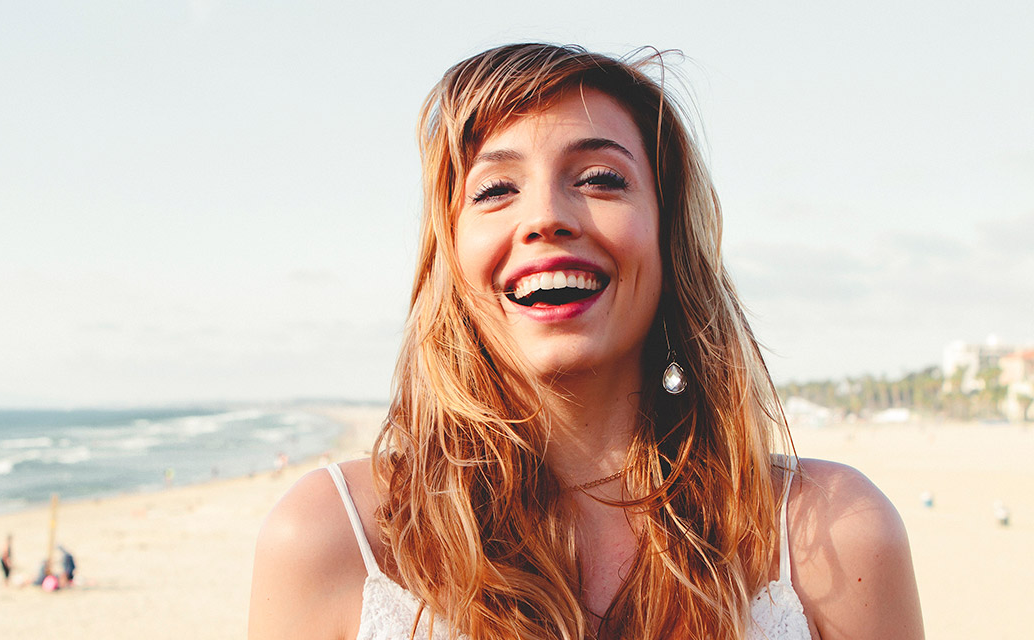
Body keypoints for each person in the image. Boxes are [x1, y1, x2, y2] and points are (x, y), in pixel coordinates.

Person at [249, 43, 923, 640]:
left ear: (668, 239)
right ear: (451, 257)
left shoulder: (834, 537)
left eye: (600, 178)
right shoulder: (332, 537)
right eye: (495, 189)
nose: (545, 216)